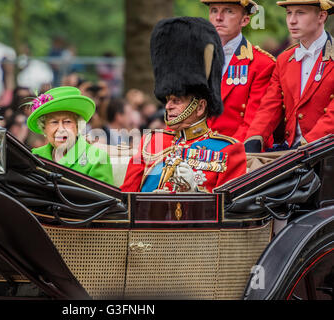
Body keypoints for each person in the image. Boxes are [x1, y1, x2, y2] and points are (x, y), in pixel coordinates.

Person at [121, 17, 247, 193]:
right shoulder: (152, 141)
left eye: (176, 101)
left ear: (200, 107)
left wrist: (195, 192)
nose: (167, 106)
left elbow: (229, 210)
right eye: (168, 100)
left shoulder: (228, 149)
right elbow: (127, 195)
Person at [244, 0, 334, 152]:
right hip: (290, 151)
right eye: (289, 13)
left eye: (300, 13)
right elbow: (269, 106)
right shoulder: (284, 60)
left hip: (325, 152)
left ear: (321, 16)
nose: (292, 21)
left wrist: (306, 145)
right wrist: (253, 139)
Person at [202, 0, 276, 144]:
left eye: (228, 11)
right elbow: (181, 112)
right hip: (194, 152)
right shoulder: (194, 58)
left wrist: (224, 153)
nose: (219, 17)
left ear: (245, 20)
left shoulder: (262, 64)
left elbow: (254, 123)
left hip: (238, 152)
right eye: (214, 11)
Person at [26, 86, 114, 185]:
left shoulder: (97, 159)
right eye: (54, 122)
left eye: (67, 122)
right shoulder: (35, 156)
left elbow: (103, 199)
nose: (61, 129)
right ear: (44, 128)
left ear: (77, 126)